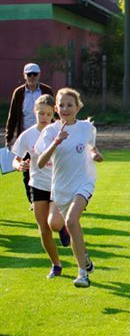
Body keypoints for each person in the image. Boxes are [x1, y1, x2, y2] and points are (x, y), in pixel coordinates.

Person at [35, 88, 103, 287]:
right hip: (61, 188)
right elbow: (40, 163)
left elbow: (91, 147)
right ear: (56, 108)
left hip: (84, 182)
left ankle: (82, 274)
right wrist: (56, 142)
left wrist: (95, 155)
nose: (65, 109)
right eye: (61, 105)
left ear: (78, 107)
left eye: (70, 105)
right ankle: (85, 258)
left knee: (72, 221)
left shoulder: (86, 128)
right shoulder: (50, 131)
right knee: (71, 228)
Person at [11, 94, 66, 278]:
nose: (44, 117)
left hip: (58, 184)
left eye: (48, 114)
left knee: (55, 223)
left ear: (54, 114)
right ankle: (56, 265)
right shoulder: (28, 135)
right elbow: (15, 159)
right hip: (37, 185)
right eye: (41, 113)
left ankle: (64, 226)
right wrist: (20, 165)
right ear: (35, 112)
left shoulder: (60, 131)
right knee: (44, 229)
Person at [5, 63, 54, 202]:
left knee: (50, 166)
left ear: (39, 75)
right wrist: (9, 137)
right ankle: (33, 201)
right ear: (24, 75)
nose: (32, 77)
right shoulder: (19, 92)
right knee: (27, 170)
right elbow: (13, 115)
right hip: (27, 136)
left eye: (34, 74)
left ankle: (54, 198)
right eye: (29, 74)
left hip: (47, 135)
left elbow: (54, 112)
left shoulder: (46, 90)